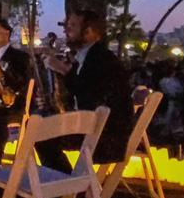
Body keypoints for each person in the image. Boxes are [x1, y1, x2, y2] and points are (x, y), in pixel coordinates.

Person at [40, 9, 133, 169]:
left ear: (89, 32)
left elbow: (91, 95)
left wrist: (63, 70)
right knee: (40, 126)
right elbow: (79, 94)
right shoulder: (88, 58)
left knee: (41, 135)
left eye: (72, 25)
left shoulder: (103, 60)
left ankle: (66, 187)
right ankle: (68, 185)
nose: (66, 30)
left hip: (105, 136)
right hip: (96, 128)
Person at [0, 19, 31, 163]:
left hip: (12, 105)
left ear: (7, 33)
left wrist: (2, 65)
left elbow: (21, 83)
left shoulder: (20, 57)